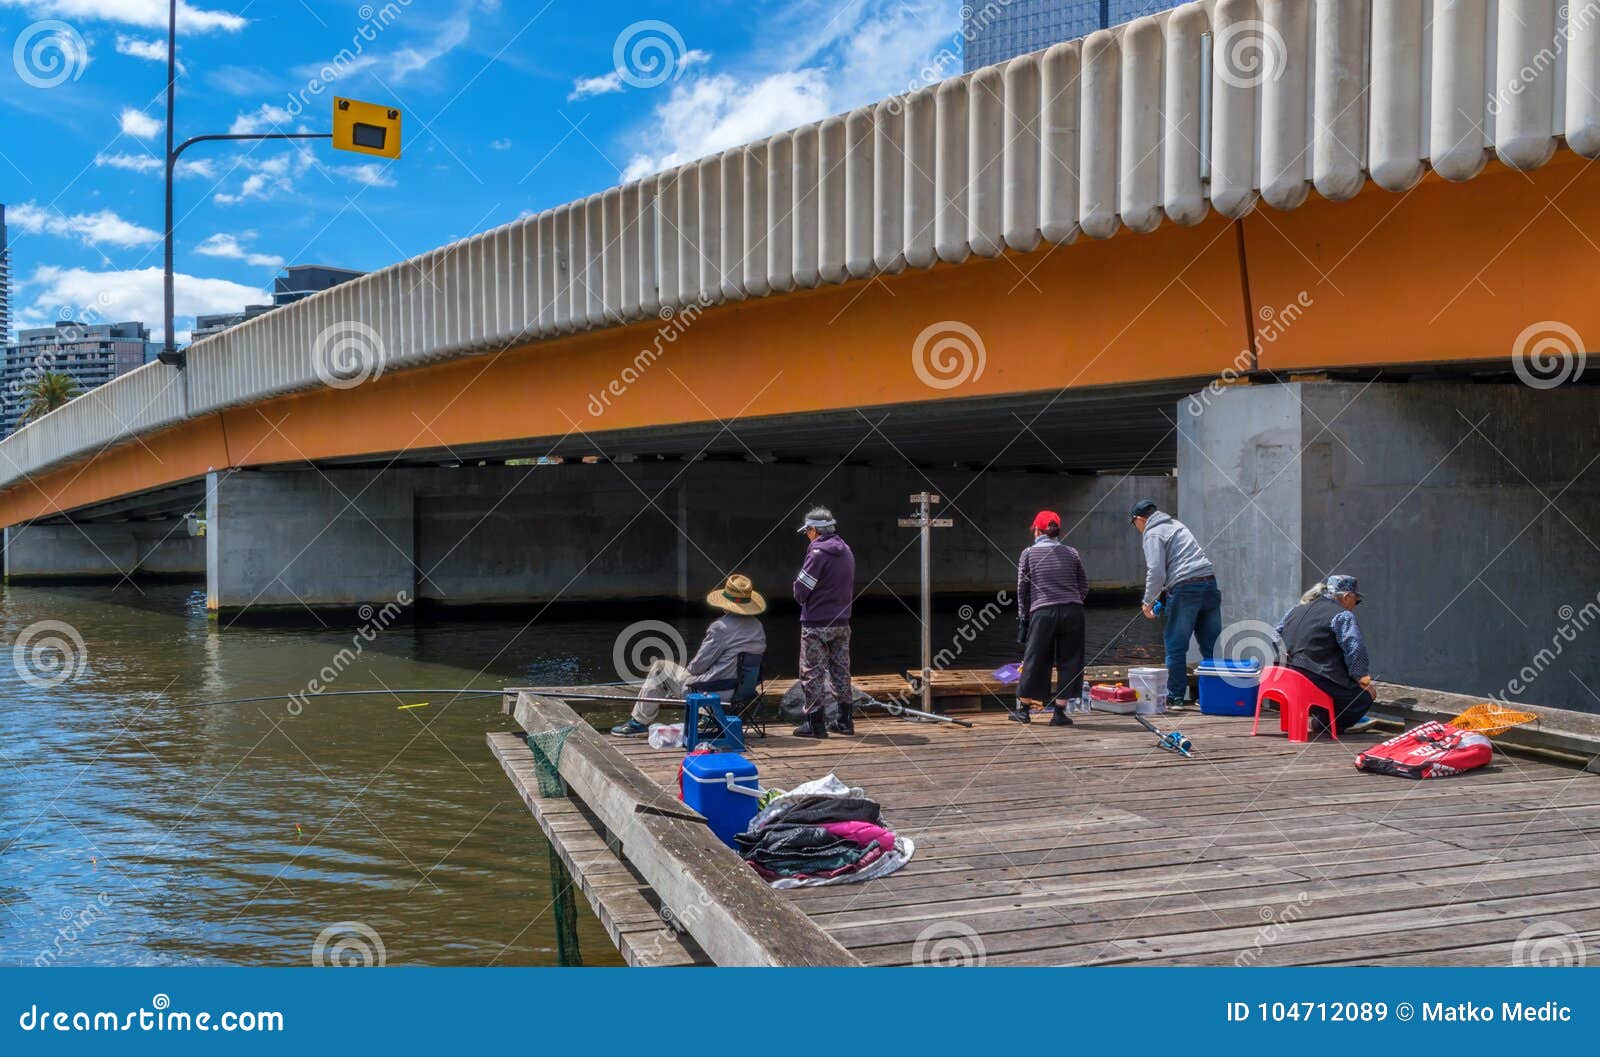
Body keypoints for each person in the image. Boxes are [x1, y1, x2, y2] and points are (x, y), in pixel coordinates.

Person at [611, 574, 767, 737]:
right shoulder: (757, 626)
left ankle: (639, 723)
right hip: (743, 693)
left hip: (717, 693)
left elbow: (698, 666)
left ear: (725, 604)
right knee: (684, 675)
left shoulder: (720, 627)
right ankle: (703, 716)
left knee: (660, 668)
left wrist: (684, 677)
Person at [1132, 499, 1220, 711]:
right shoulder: (1177, 525)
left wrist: (1148, 602)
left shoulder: (1152, 533)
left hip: (1186, 590)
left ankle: (1176, 697)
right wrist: (1162, 596)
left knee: (1175, 645)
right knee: (1211, 646)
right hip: (1209, 584)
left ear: (1139, 519)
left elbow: (1156, 571)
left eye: (1134, 523)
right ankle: (1214, 697)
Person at [1275, 574, 1380, 735]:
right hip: (1311, 676)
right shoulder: (1343, 616)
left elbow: (1276, 635)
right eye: (1356, 601)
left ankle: (1323, 718)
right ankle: (1323, 724)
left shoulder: (1295, 609)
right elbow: (1355, 649)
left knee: (1339, 689)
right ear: (1347, 596)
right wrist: (1363, 680)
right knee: (1362, 698)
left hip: (1283, 675)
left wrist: (1284, 656)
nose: (1354, 605)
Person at [1012, 510, 1090, 727]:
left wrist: (1023, 617)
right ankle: (1059, 712)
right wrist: (1073, 600)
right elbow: (1083, 585)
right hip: (1073, 611)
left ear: (1036, 530)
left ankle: (1025, 710)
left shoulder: (1028, 553)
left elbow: (1022, 589)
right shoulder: (1072, 553)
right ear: (1057, 531)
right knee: (1070, 660)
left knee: (1035, 659)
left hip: (1043, 612)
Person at [792, 506, 856, 739]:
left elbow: (801, 589)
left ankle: (815, 724)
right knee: (841, 669)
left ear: (814, 530)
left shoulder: (817, 553)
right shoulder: (847, 551)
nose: (807, 535)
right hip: (842, 621)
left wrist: (801, 598)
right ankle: (845, 722)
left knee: (812, 672)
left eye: (807, 531)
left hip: (816, 623)